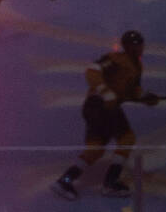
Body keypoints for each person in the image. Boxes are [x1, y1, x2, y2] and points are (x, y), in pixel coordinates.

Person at [51, 30, 159, 200]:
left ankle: (64, 181)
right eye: (135, 44)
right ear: (128, 47)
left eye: (140, 43)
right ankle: (110, 183)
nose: (139, 47)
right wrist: (105, 91)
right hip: (100, 105)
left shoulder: (137, 66)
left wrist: (145, 98)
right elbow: (92, 71)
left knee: (96, 149)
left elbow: (132, 91)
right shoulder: (116, 59)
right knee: (126, 139)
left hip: (101, 107)